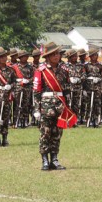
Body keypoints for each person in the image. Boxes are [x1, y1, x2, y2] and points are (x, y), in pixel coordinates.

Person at [32, 42, 74, 170]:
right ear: (48, 57)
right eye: (54, 54)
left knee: (57, 133)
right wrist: (36, 109)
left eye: (58, 54)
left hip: (60, 105)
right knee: (45, 133)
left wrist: (67, 106)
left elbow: (67, 90)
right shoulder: (41, 71)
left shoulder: (64, 70)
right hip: (46, 105)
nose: (57, 56)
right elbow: (36, 91)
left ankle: (54, 159)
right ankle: (45, 160)